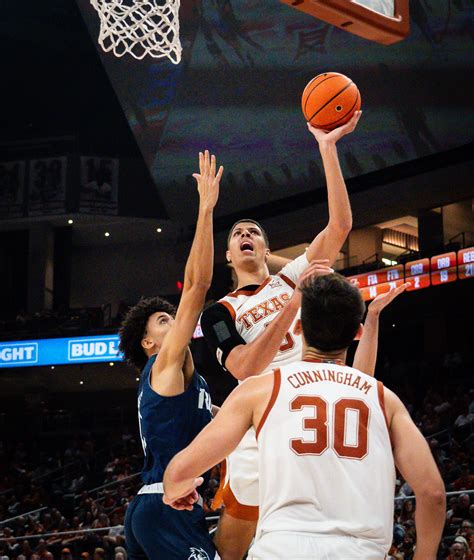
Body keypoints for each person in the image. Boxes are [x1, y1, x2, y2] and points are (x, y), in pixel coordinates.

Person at [200, 110, 403, 558]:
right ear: (230, 256)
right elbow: (244, 369)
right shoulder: (221, 311)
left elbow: (340, 227)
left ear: (268, 250)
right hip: (262, 414)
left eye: (254, 231)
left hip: (319, 401)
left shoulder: (289, 276)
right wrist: (293, 302)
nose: (246, 234)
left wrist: (327, 149)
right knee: (234, 543)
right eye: (238, 234)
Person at [164, 273, 445, 559]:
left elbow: (178, 473)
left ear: (298, 328)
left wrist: (179, 489)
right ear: (357, 333)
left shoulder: (259, 391)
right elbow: (432, 494)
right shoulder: (383, 399)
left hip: (282, 550)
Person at [118, 151, 223, 559]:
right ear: (149, 343)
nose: (174, 322)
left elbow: (224, 425)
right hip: (166, 503)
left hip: (164, 504)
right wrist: (206, 208)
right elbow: (196, 286)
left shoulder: (190, 383)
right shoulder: (161, 366)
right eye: (163, 321)